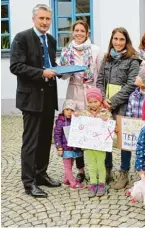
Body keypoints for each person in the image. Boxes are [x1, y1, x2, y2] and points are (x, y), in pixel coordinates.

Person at [9, 4, 61, 198]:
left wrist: (61, 71)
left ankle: (41, 174)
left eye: (48, 19)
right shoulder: (22, 38)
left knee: (45, 139)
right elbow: (16, 66)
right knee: (30, 141)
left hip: (49, 96)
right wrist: (42, 73)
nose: (45, 22)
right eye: (41, 18)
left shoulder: (52, 40)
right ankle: (29, 182)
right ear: (34, 19)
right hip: (31, 97)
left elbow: (50, 64)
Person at [59, 20, 104, 184]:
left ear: (87, 32)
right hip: (73, 92)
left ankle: (99, 167)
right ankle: (81, 170)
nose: (79, 33)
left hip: (90, 93)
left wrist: (100, 96)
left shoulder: (95, 50)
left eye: (82, 31)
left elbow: (100, 74)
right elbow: (63, 76)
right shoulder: (66, 51)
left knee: (93, 129)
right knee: (75, 133)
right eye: (76, 30)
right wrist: (62, 70)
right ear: (72, 32)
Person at [96, 27, 140, 190]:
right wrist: (102, 98)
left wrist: (113, 101)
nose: (118, 42)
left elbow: (130, 85)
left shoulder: (133, 60)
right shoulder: (107, 59)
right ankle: (107, 169)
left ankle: (124, 172)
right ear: (111, 40)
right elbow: (100, 80)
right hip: (105, 103)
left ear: (126, 41)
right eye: (115, 39)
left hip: (123, 104)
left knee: (123, 140)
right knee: (106, 136)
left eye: (122, 39)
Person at [77, 88, 113, 197]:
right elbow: (80, 125)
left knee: (100, 164)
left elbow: (110, 126)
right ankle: (93, 183)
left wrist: (107, 120)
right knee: (91, 165)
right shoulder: (84, 113)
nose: (93, 104)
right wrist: (77, 117)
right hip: (88, 145)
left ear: (100, 101)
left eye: (95, 101)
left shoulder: (106, 112)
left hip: (100, 145)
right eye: (90, 102)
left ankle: (101, 183)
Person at [54, 99, 85, 190]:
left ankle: (66, 180)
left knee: (71, 164)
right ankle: (73, 183)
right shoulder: (60, 122)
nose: (69, 112)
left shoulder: (75, 120)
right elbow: (57, 135)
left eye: (72, 110)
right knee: (67, 166)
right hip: (65, 148)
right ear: (63, 110)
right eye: (67, 109)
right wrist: (59, 147)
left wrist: (78, 117)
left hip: (73, 147)